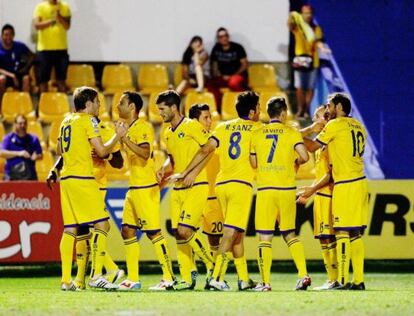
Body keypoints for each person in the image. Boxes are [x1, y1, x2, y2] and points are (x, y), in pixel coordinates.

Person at [169, 91, 261, 291]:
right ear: (253, 111)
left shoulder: (222, 127)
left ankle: (243, 279)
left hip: (221, 185)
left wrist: (186, 171)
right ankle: (216, 276)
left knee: (237, 232)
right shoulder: (258, 128)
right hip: (240, 185)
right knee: (230, 232)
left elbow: (205, 150)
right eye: (259, 107)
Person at [50, 86, 127, 291]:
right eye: (97, 102)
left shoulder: (66, 120)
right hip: (83, 178)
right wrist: (118, 136)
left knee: (70, 229)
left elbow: (59, 149)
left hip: (66, 178)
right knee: (103, 225)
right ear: (88, 104)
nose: (99, 106)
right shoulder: (88, 121)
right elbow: (102, 151)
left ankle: (66, 281)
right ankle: (97, 275)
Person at [303, 93, 368, 290]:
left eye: (330, 105)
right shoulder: (359, 126)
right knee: (355, 233)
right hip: (360, 182)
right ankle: (358, 280)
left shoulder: (335, 125)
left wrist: (295, 135)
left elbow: (313, 145)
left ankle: (340, 280)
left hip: (345, 183)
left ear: (339, 106)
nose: (328, 109)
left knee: (340, 231)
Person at [116, 91, 176, 291]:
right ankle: (133, 279)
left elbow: (144, 153)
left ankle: (169, 277)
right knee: (127, 231)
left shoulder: (143, 127)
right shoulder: (127, 127)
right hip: (133, 188)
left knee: (153, 233)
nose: (117, 106)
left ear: (132, 106)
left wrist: (125, 139)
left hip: (146, 187)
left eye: (121, 103)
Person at [249, 96, 310, 291]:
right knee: (290, 234)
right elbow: (305, 156)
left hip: (266, 189)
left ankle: (265, 283)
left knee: (265, 237)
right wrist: (294, 163)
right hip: (286, 189)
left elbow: (253, 163)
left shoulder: (257, 133)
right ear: (283, 113)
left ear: (269, 113)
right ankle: (303, 275)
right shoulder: (292, 132)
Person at [156, 90, 215, 291]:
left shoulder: (192, 126)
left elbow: (208, 149)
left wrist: (191, 173)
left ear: (173, 108)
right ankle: (187, 278)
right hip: (178, 187)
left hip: (196, 185)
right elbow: (173, 158)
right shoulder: (167, 133)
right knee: (178, 233)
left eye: (162, 109)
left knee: (185, 230)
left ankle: (211, 265)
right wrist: (164, 168)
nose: (160, 114)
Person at [297, 105, 339, 290]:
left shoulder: (332, 141)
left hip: (329, 195)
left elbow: (331, 174)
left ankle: (336, 279)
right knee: (324, 238)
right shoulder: (321, 143)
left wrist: (311, 189)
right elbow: (290, 138)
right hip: (321, 194)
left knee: (331, 238)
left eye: (318, 117)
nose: (315, 120)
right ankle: (332, 279)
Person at [188, 103, 225, 286]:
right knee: (185, 232)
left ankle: (214, 275)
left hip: (212, 197)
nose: (210, 121)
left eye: (210, 117)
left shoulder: (215, 140)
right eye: (206, 118)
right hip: (191, 193)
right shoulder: (187, 139)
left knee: (214, 239)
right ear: (195, 120)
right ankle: (193, 271)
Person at [288, 5, 328, 119]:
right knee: (299, 87)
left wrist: (323, 48)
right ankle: (300, 110)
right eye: (305, 13)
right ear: (302, 14)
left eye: (310, 13)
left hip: (313, 61)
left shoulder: (316, 28)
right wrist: (293, 15)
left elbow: (319, 41)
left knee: (310, 87)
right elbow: (290, 25)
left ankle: (305, 110)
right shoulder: (298, 27)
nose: (308, 15)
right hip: (300, 61)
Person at [33, 0, 71, 92]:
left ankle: (62, 105)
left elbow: (67, 26)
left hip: (61, 49)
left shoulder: (65, 6)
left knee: (61, 81)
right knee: (43, 81)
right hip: (44, 50)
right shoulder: (40, 7)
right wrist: (52, 20)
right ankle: (44, 105)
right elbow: (37, 25)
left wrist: (59, 17)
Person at [207, 27, 248, 108]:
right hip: (223, 77)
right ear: (218, 39)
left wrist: (232, 76)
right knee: (209, 84)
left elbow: (244, 65)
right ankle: (220, 106)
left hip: (237, 76)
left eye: (226, 35)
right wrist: (220, 76)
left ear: (228, 36)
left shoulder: (238, 47)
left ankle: (244, 106)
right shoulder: (216, 49)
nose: (224, 38)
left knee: (234, 83)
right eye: (221, 37)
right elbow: (214, 66)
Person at [0, 114, 42, 181]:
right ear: (15, 124)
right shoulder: (8, 138)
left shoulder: (33, 139)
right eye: (20, 123)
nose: (23, 126)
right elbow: (1, 153)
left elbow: (40, 155)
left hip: (30, 175)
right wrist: (19, 153)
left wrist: (36, 156)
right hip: (11, 175)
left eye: (24, 123)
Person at [0, 24, 35, 101]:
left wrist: (26, 69)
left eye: (10, 35)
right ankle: (1, 109)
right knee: (1, 79)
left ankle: (24, 107)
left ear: (13, 35)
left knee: (26, 78)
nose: (8, 37)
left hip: (18, 74)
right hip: (5, 75)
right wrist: (11, 75)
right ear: (2, 36)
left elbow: (32, 56)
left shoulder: (19, 46)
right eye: (6, 35)